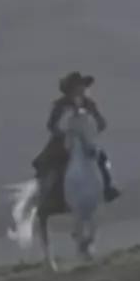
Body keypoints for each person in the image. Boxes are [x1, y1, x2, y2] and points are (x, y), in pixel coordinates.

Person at [35, 71, 120, 203]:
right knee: (52, 162)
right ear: (70, 89)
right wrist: (63, 132)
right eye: (77, 86)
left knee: (101, 159)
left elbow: (100, 122)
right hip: (63, 141)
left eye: (82, 86)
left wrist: (95, 127)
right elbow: (51, 125)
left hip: (85, 139)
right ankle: (49, 196)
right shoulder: (60, 105)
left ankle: (107, 188)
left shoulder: (89, 104)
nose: (81, 89)